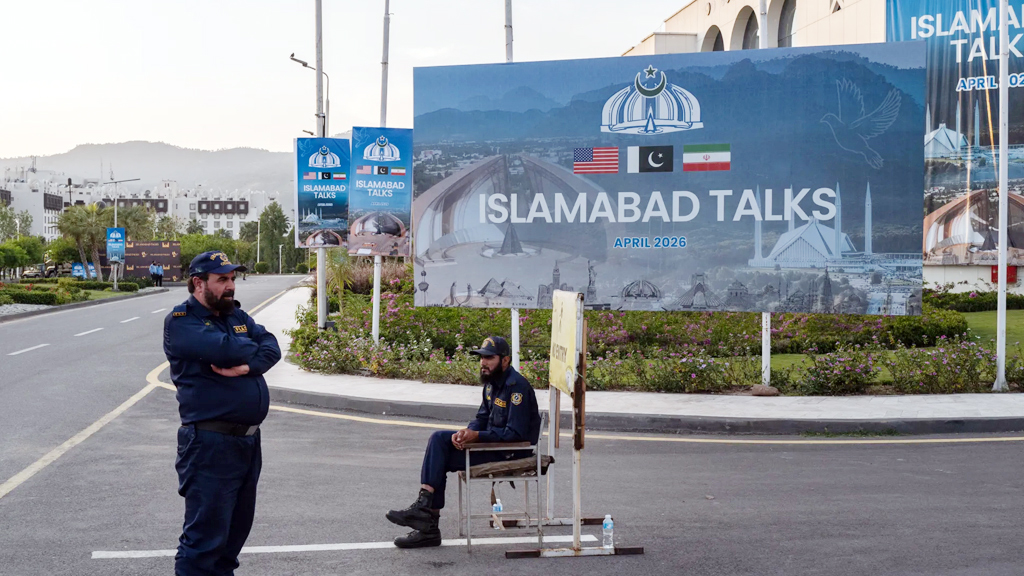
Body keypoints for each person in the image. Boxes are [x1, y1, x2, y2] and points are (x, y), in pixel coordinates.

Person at [163, 251, 281, 576]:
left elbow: (272, 346)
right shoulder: (182, 321)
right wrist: (248, 350)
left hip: (247, 443)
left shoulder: (235, 314)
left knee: (231, 541)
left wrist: (246, 366)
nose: (230, 286)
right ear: (199, 283)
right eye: (222, 279)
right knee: (204, 543)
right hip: (210, 444)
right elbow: (227, 349)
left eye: (232, 278)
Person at [386, 336, 541, 548]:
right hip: (492, 446)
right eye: (482, 358)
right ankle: (425, 516)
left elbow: (515, 434)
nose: (483, 362)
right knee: (439, 441)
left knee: (440, 450)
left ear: (505, 360)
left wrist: (478, 437)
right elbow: (482, 418)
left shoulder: (517, 387)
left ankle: (427, 523)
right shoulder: (491, 384)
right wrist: (467, 432)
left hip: (510, 451)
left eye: (490, 358)